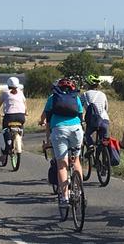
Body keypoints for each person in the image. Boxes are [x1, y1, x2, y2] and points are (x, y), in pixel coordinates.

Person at [43, 78, 84, 207]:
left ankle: (65, 198)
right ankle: (79, 192)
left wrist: (48, 138)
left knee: (62, 165)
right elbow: (81, 115)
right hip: (76, 130)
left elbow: (47, 120)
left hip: (59, 130)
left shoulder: (52, 98)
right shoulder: (75, 98)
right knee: (76, 160)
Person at [0, 76, 27, 162]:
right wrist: (25, 112)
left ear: (8, 85)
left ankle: (5, 151)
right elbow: (24, 104)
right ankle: (20, 135)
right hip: (21, 116)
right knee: (20, 127)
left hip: (9, 116)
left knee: (5, 131)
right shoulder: (21, 93)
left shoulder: (5, 93)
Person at [81, 74, 110, 152]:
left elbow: (79, 109)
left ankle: (90, 147)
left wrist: (82, 120)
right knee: (104, 141)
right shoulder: (103, 94)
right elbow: (106, 109)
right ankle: (103, 156)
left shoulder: (84, 95)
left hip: (92, 121)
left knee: (87, 135)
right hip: (104, 120)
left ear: (88, 84)